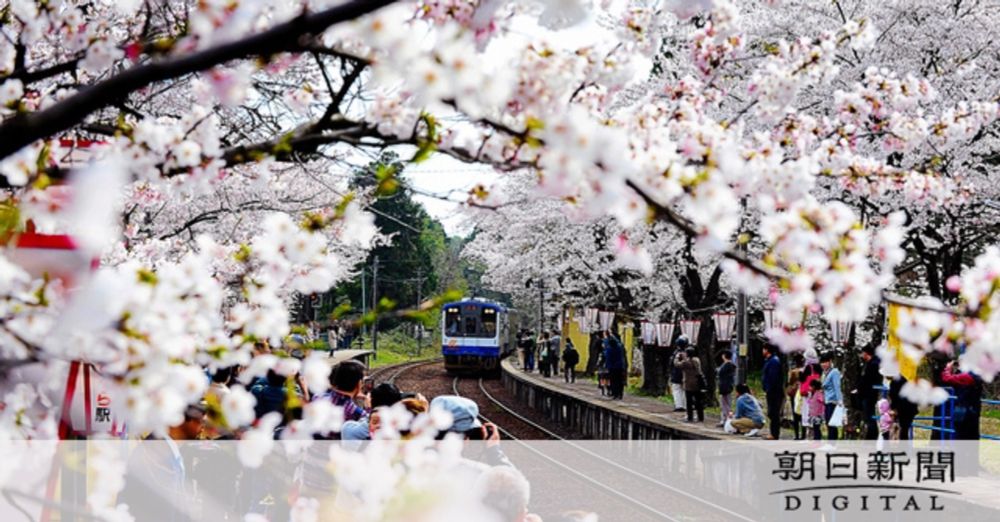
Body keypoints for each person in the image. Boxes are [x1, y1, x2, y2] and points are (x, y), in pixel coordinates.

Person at [855, 344, 882, 440]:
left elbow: (867, 380)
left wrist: (859, 389)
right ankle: (871, 434)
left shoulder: (873, 365)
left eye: (863, 353)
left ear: (866, 353)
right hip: (868, 393)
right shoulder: (872, 363)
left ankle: (872, 436)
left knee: (870, 416)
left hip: (869, 394)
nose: (862, 355)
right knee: (870, 416)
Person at [676, 347, 705, 423]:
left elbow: (677, 364)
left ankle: (690, 417)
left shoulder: (686, 362)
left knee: (689, 402)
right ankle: (701, 417)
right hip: (698, 383)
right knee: (699, 401)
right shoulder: (697, 360)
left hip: (688, 384)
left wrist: (677, 357)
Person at [761, 345, 783, 440]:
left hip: (774, 392)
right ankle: (773, 433)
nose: (762, 351)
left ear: (767, 350)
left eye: (763, 349)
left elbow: (773, 378)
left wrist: (768, 389)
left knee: (774, 413)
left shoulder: (773, 361)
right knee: (772, 413)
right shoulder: (770, 360)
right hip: (772, 391)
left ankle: (774, 434)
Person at [820, 352, 843, 441]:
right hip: (827, 400)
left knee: (832, 423)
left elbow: (837, 387)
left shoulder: (834, 372)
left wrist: (839, 400)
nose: (823, 364)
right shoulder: (825, 373)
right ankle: (831, 442)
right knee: (828, 422)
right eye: (822, 362)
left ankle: (832, 443)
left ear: (830, 361)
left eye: (825, 362)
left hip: (833, 401)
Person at [887, 373, 917, 440]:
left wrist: (894, 409)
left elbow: (895, 397)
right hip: (909, 408)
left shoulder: (895, 382)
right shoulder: (901, 379)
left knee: (903, 431)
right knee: (904, 431)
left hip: (905, 410)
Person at [602, 330, 626, 400]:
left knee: (613, 381)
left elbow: (607, 359)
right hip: (620, 367)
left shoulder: (609, 350)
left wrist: (606, 366)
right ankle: (620, 394)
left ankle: (614, 394)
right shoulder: (619, 348)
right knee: (620, 381)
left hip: (612, 367)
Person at [716, 351, 736, 426]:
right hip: (727, 386)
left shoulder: (727, 365)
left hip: (725, 386)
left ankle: (726, 420)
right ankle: (726, 419)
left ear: (724, 356)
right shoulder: (730, 365)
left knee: (725, 404)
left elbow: (721, 373)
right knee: (727, 403)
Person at [669, 336, 688, 412]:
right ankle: (684, 405)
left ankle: (679, 405)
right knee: (684, 390)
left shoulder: (676, 353)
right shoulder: (688, 353)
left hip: (676, 374)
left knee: (676, 389)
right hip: (686, 374)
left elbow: (672, 364)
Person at [786, 354, 803, 439]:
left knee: (795, 414)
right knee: (803, 414)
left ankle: (797, 435)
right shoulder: (805, 370)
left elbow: (789, 382)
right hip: (803, 393)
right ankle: (803, 435)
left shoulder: (793, 371)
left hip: (794, 393)